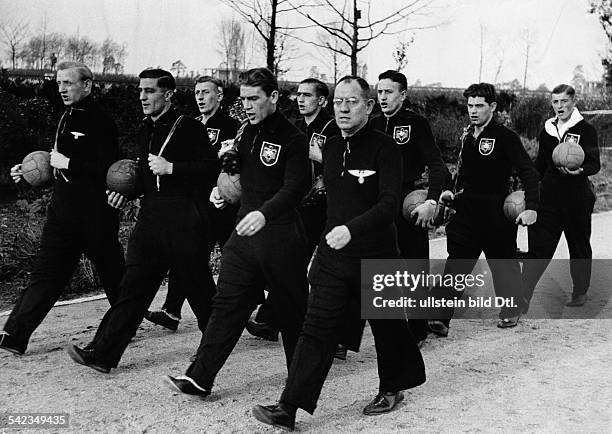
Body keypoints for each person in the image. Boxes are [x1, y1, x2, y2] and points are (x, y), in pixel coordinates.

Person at [252, 76, 426, 431]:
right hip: (333, 258)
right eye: (338, 102)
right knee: (315, 329)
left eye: (352, 102)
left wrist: (352, 229)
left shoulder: (385, 149)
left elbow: (390, 203)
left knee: (389, 328)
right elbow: (322, 196)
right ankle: (288, 407)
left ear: (368, 106)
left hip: (376, 254)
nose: (343, 109)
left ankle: (393, 387)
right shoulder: (331, 148)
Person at [166, 67, 310, 396]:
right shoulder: (246, 131)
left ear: (273, 97)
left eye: (254, 98)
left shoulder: (293, 139)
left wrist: (265, 213)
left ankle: (301, 383)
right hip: (244, 235)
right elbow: (241, 175)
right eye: (243, 98)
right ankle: (200, 376)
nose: (246, 105)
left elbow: (296, 187)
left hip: (282, 238)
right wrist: (222, 188)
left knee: (292, 314)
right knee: (226, 304)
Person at [66, 68, 219, 373]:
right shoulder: (144, 129)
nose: (142, 97)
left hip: (185, 218)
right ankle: (103, 353)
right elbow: (146, 176)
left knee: (201, 293)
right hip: (150, 217)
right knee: (131, 288)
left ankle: (212, 355)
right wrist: (127, 193)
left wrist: (172, 168)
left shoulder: (189, 127)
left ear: (169, 94)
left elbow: (210, 169)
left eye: (150, 91)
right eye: (140, 90)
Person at [0, 61, 124, 355]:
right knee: (46, 273)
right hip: (64, 211)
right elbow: (55, 163)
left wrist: (69, 164)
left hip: (96, 213)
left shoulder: (101, 120)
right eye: (59, 84)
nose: (62, 89)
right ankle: (14, 335)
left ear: (88, 85)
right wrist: (28, 171)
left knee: (114, 276)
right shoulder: (65, 115)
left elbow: (109, 169)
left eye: (68, 83)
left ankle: (123, 326)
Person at [428, 83, 539, 337]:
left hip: (496, 213)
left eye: (479, 106)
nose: (473, 111)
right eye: (470, 106)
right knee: (456, 265)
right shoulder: (467, 136)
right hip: (467, 212)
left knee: (503, 265)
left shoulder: (505, 137)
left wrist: (531, 207)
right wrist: (450, 194)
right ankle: (439, 317)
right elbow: (463, 176)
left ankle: (511, 309)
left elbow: (529, 173)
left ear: (493, 107)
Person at [246, 78, 341, 349]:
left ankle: (334, 336)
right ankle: (271, 319)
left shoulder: (332, 127)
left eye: (307, 95)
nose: (300, 99)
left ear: (322, 101)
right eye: (298, 94)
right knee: (291, 263)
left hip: (327, 208)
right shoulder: (294, 127)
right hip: (298, 206)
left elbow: (344, 163)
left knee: (327, 271)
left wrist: (319, 159)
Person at [145, 76, 239, 331]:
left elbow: (230, 165)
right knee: (187, 256)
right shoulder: (191, 125)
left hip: (221, 202)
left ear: (219, 96)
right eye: (197, 92)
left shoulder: (232, 126)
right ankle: (173, 310)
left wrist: (221, 188)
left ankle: (259, 307)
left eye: (206, 92)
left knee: (234, 256)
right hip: (197, 204)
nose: (200, 97)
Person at [370, 70, 447, 344]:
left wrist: (431, 201)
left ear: (403, 95)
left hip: (408, 204)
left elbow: (437, 166)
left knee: (415, 270)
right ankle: (344, 338)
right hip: (377, 203)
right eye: (379, 92)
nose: (382, 97)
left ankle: (416, 330)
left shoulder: (416, 124)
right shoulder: (372, 123)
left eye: (388, 92)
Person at [522, 84, 600, 310]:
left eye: (564, 101)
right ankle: (523, 295)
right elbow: (540, 165)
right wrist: (530, 190)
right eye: (555, 102)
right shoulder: (547, 129)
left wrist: (580, 170)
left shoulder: (585, 129)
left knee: (579, 246)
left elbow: (594, 164)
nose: (559, 106)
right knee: (539, 248)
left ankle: (580, 292)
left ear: (573, 102)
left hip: (577, 198)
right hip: (549, 198)